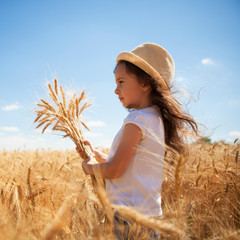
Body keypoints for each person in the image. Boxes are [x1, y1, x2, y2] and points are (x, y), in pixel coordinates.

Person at [76, 43, 199, 239]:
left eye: (121, 82)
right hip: (149, 217)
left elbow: (116, 170)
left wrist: (90, 167)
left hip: (128, 217)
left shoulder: (137, 120)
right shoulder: (155, 119)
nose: (116, 90)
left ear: (145, 83)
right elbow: (133, 164)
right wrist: (100, 157)